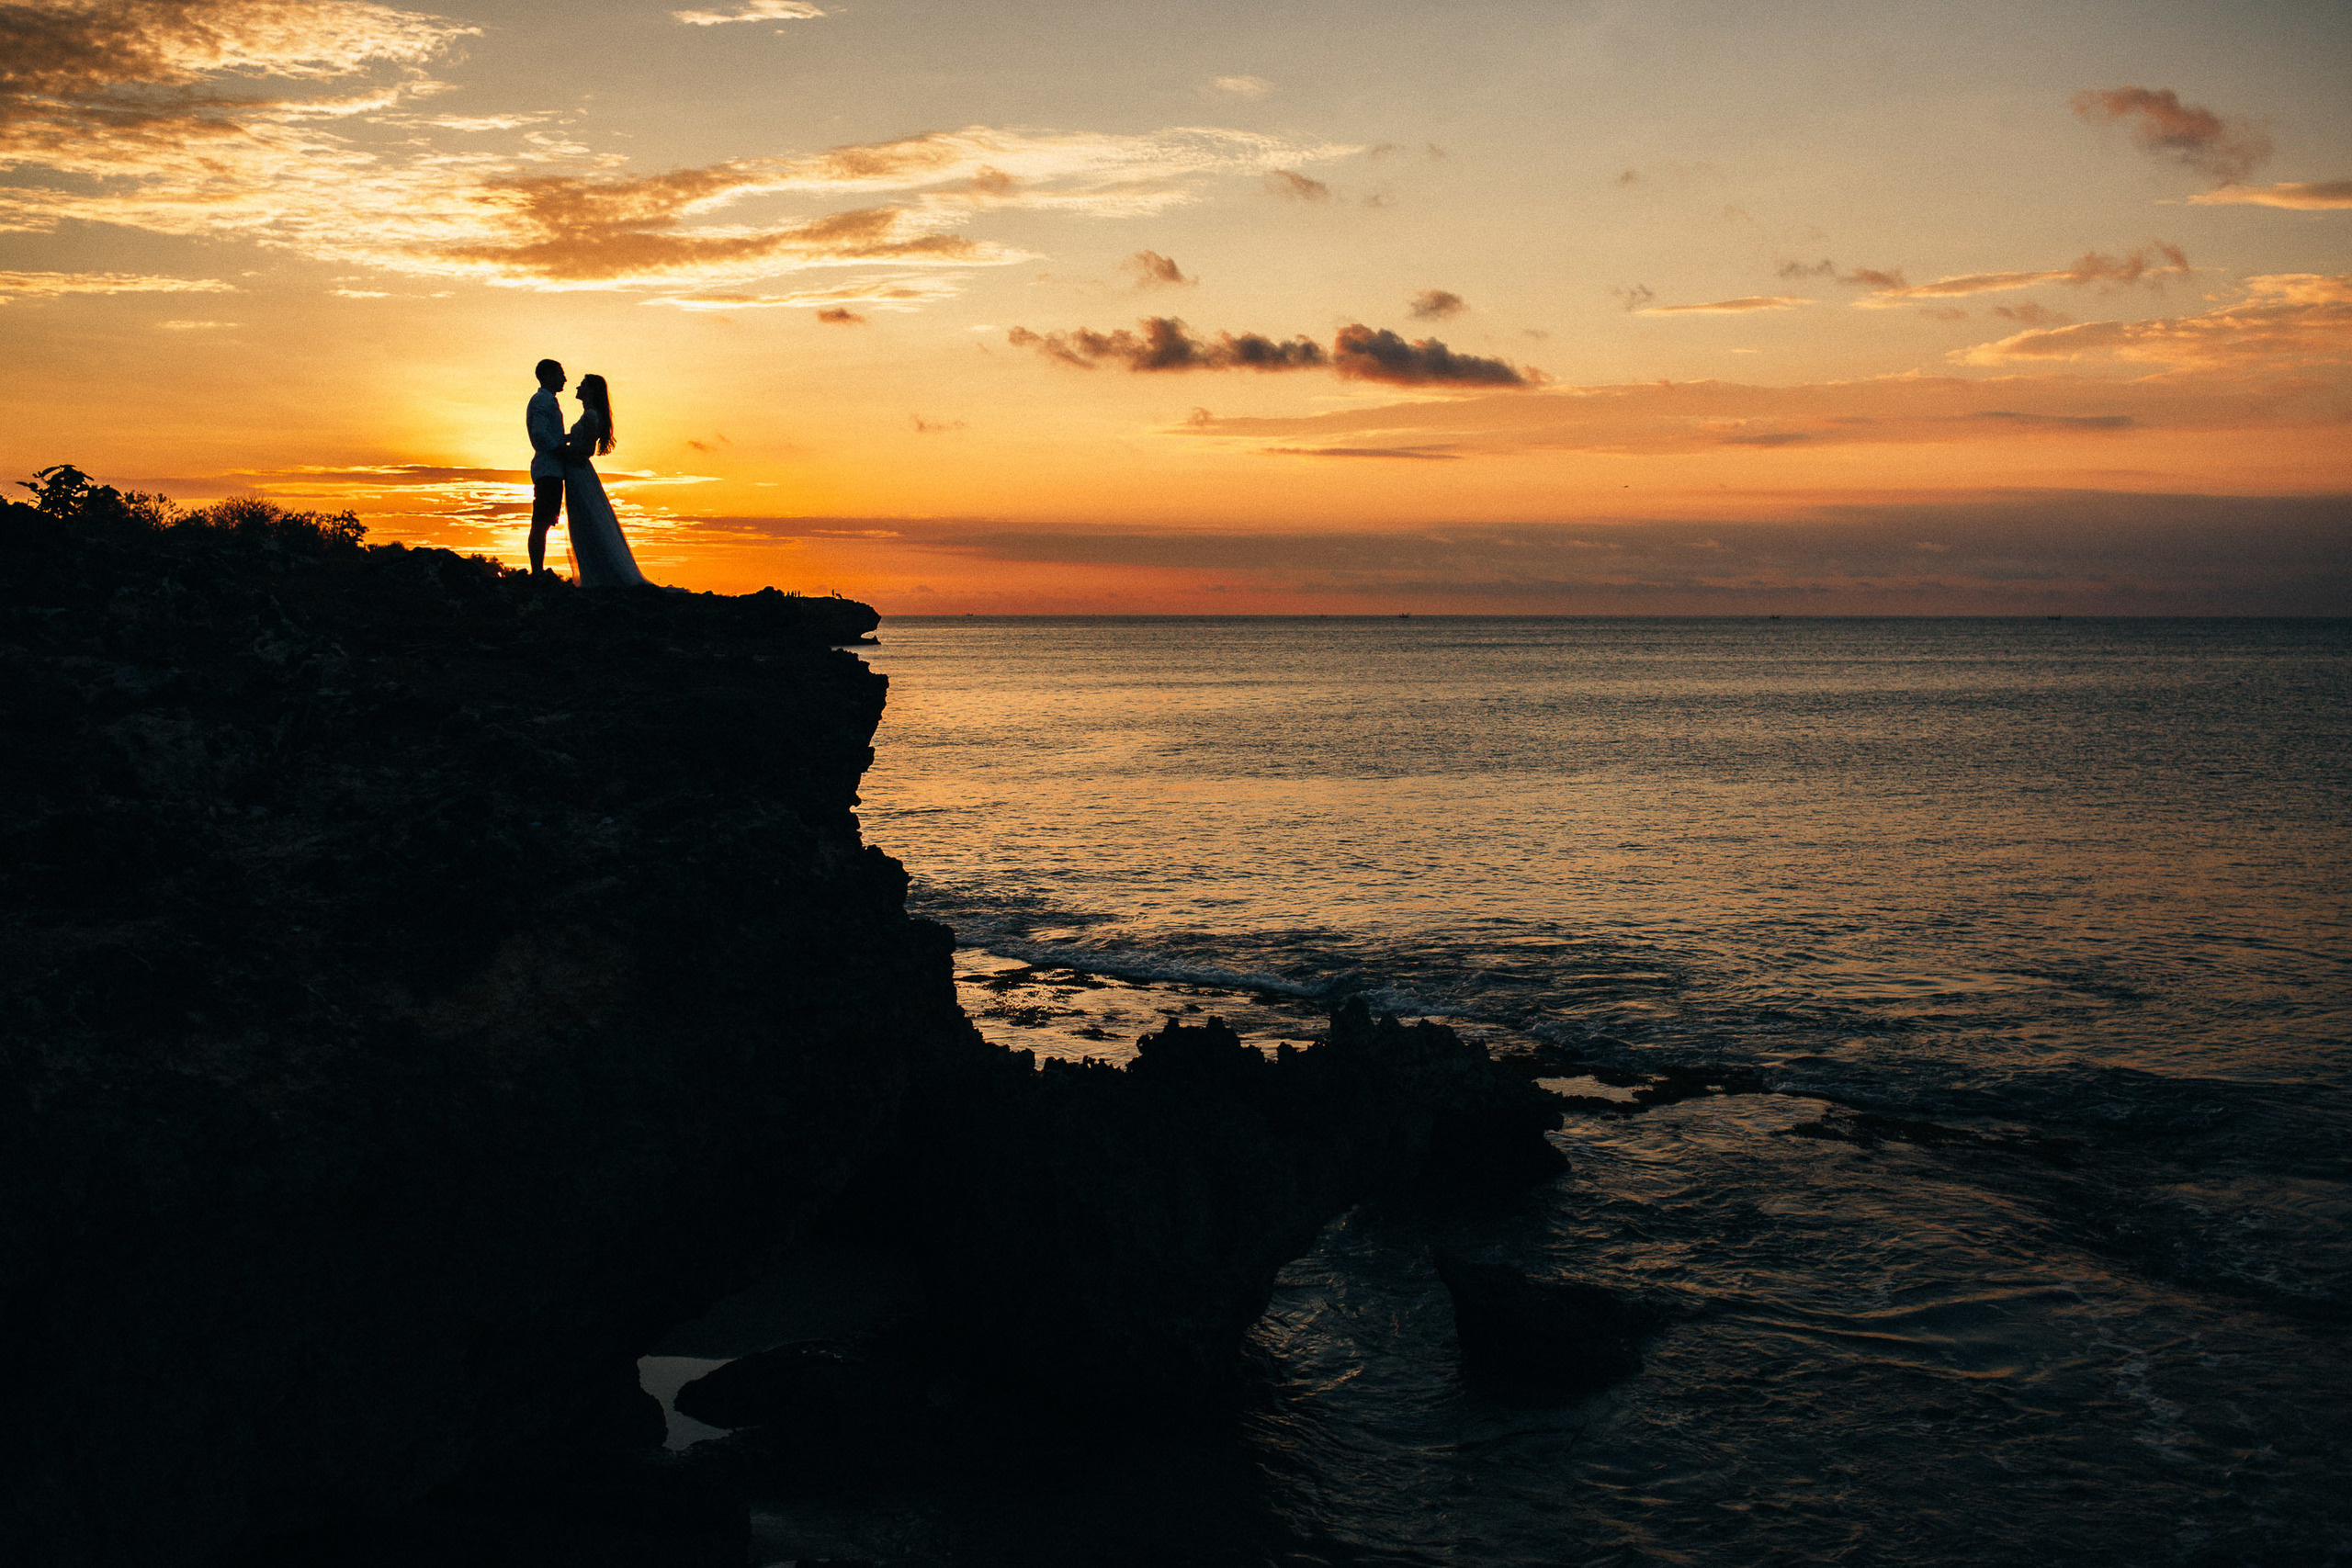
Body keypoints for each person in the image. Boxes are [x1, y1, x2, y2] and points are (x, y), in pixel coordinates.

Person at [559, 373, 652, 588]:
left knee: (587, 520)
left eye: (582, 385)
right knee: (583, 520)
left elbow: (587, 449)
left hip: (580, 471)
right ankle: (594, 575)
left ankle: (599, 577)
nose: (577, 388)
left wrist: (564, 453)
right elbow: (576, 440)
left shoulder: (591, 415)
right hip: (576, 472)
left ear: (590, 390)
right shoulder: (588, 415)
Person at [525, 358, 570, 574]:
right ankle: (537, 571)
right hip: (548, 469)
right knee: (541, 521)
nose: (565, 379)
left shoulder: (547, 400)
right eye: (561, 374)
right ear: (549, 375)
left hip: (551, 469)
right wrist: (560, 449)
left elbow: (548, 434)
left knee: (544, 520)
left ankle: (537, 571)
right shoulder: (542, 401)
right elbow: (540, 434)